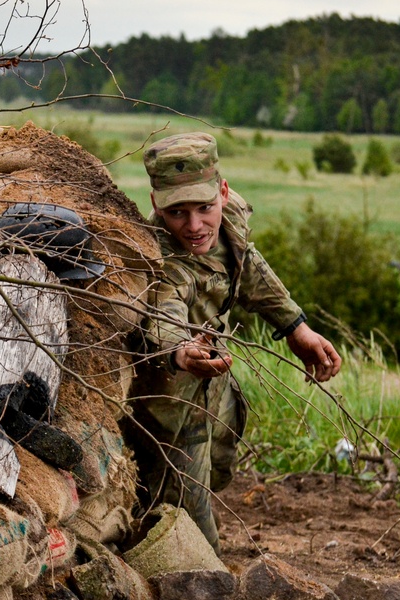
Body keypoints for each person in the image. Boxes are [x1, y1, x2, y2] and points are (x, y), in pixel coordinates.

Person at [125, 132, 342, 551]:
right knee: (187, 533)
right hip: (172, 404)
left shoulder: (232, 215)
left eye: (205, 208)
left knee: (220, 467)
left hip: (216, 389)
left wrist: (296, 327)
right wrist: (180, 352)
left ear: (223, 192)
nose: (194, 226)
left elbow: (247, 261)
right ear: (155, 204)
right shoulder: (158, 260)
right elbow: (163, 310)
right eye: (177, 212)